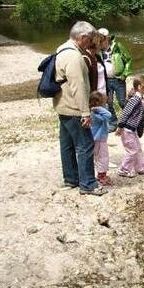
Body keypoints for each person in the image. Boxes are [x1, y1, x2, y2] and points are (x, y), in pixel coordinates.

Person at [54, 21, 107, 196]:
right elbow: (78, 85)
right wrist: (85, 112)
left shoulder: (62, 48)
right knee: (86, 144)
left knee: (67, 144)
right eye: (90, 38)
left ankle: (71, 179)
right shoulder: (74, 57)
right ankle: (88, 184)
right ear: (82, 37)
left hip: (63, 105)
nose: (91, 42)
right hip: (73, 107)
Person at [115, 75, 144, 178]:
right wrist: (120, 126)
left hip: (133, 129)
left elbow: (139, 115)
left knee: (138, 149)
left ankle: (140, 168)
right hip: (127, 129)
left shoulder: (140, 99)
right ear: (140, 87)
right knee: (132, 150)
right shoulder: (135, 99)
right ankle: (123, 169)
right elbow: (125, 112)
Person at [100, 28, 132, 130]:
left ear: (107, 38)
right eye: (99, 39)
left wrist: (125, 74)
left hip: (119, 79)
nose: (101, 41)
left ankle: (132, 120)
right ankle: (113, 124)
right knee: (108, 103)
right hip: (105, 80)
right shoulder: (98, 50)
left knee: (122, 102)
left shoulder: (118, 46)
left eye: (102, 39)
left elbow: (128, 60)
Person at [89, 91, 114, 187]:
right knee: (103, 157)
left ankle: (100, 174)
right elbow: (108, 115)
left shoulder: (95, 112)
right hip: (99, 139)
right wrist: (98, 108)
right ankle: (101, 175)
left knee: (98, 157)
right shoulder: (95, 114)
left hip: (99, 138)